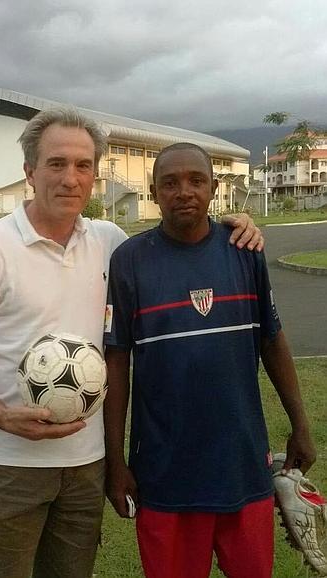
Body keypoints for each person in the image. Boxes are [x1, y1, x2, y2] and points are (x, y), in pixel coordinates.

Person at [0, 110, 263, 578]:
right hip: (7, 464)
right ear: (29, 172)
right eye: (56, 164)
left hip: (86, 464)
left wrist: (234, 222)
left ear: (96, 175)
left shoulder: (109, 242)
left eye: (83, 165)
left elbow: (179, 237)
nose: (71, 178)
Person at [103, 142, 316, 578]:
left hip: (243, 467)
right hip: (164, 475)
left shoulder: (244, 250)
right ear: (154, 191)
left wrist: (301, 426)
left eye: (196, 180)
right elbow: (117, 363)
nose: (184, 191)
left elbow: (272, 341)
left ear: (215, 187)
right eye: (170, 182)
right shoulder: (130, 261)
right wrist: (116, 462)